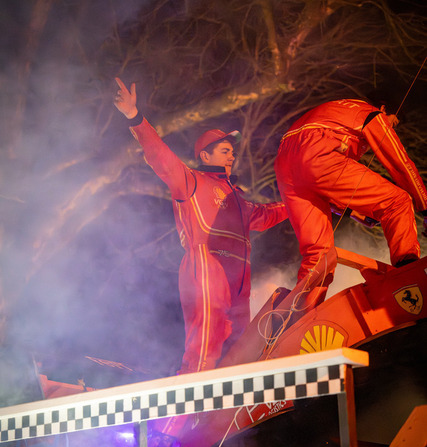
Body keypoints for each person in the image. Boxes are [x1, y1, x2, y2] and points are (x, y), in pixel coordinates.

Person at [114, 78, 288, 374]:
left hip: (240, 277)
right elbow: (160, 156)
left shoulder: (239, 199)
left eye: (232, 151)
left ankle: (230, 400)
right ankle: (192, 395)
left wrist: (302, 200)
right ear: (205, 155)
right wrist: (134, 116)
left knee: (238, 350)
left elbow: (268, 214)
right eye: (224, 150)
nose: (232, 155)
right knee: (207, 342)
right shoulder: (192, 181)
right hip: (206, 266)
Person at [274, 98, 427, 309]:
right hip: (318, 155)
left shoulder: (337, 112)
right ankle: (408, 278)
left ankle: (298, 314)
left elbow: (315, 177)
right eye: (394, 121)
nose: (392, 127)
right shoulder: (371, 114)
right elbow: (400, 163)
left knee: (318, 253)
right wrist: (424, 205)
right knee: (397, 201)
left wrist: (352, 212)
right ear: (383, 109)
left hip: (284, 165)